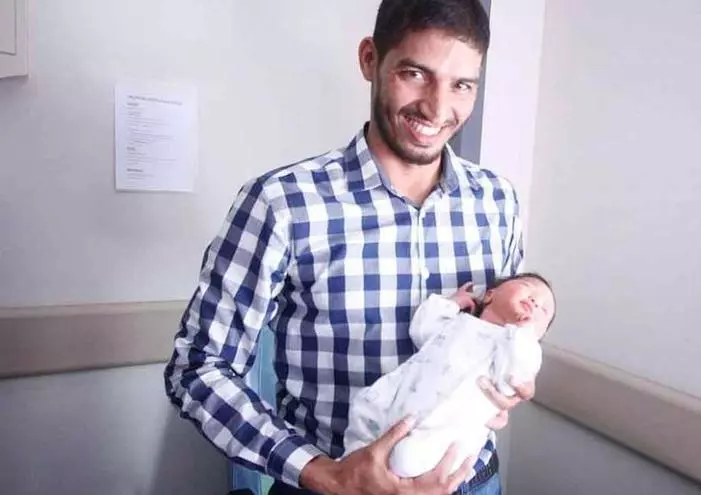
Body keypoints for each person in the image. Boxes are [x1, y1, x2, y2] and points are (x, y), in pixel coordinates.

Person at [163, 1, 533, 494]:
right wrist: (322, 471)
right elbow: (197, 367)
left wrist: (509, 382)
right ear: (369, 59)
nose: (437, 107)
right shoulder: (282, 204)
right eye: (415, 74)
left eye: (462, 85)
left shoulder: (498, 202)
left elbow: (505, 334)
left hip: (474, 483)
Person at [344, 274, 556, 479]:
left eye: (544, 309)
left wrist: (523, 336)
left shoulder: (511, 348)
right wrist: (450, 304)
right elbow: (421, 329)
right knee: (364, 409)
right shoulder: (458, 322)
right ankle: (352, 460)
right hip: (402, 398)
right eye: (528, 287)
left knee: (408, 457)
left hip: (446, 425)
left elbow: (515, 375)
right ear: (490, 294)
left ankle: (402, 468)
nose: (536, 302)